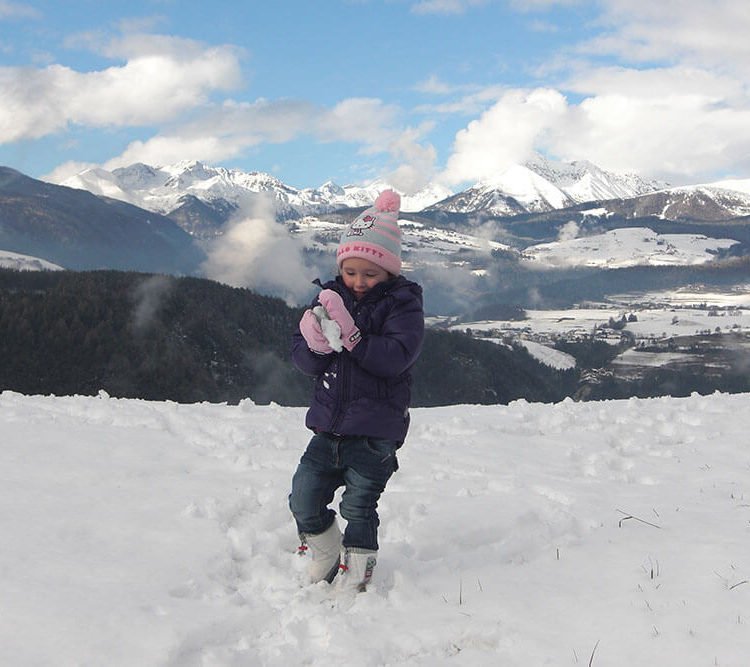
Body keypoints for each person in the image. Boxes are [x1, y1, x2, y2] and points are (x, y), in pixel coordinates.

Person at [289, 189, 424, 592]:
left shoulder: (402, 305)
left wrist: (353, 336)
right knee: (303, 498)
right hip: (328, 426)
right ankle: (327, 550)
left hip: (375, 433)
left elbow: (396, 357)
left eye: (370, 273)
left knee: (359, 508)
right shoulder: (328, 299)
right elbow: (306, 361)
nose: (359, 282)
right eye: (351, 272)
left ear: (389, 272)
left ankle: (359, 574)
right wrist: (313, 344)